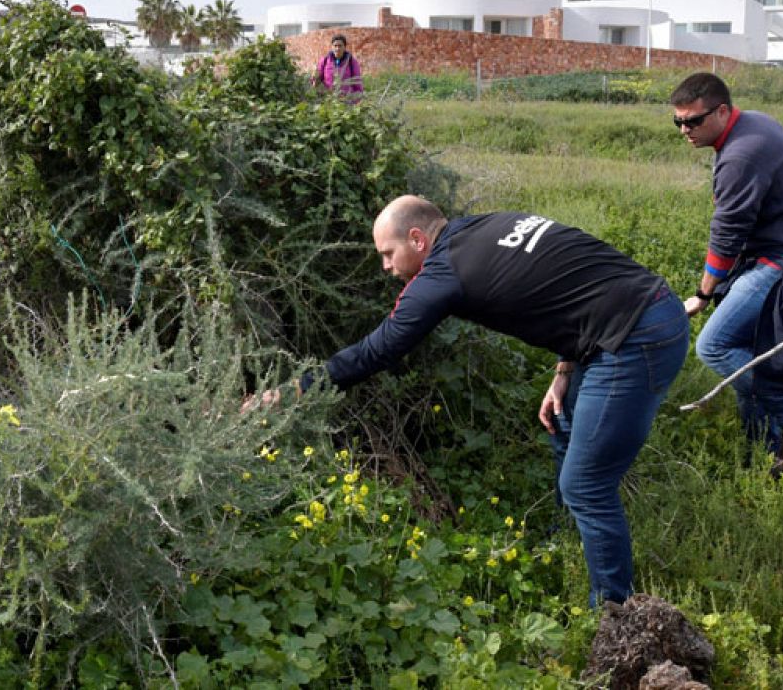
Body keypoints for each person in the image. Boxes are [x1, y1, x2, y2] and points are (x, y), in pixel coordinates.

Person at [252, 195, 688, 605]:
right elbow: (571, 285)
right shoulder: (489, 225)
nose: (386, 267)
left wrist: (290, 392)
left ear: (418, 240)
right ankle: (569, 540)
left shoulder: (441, 276)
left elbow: (375, 352)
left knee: (586, 485)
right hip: (646, 308)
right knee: (563, 418)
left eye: (388, 254)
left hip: (634, 340)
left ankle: (616, 615)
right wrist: (565, 369)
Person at [670, 72, 783, 474]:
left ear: (722, 111)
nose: (685, 130)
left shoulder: (742, 154)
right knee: (748, 355)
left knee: (714, 346)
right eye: (678, 122)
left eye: (694, 121)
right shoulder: (753, 122)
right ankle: (766, 458)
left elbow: (727, 233)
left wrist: (703, 294)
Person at [311, 34, 363, 101]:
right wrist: (314, 78)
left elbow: (357, 83)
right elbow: (316, 81)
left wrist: (356, 99)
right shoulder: (325, 60)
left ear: (344, 47)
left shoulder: (351, 62)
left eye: (340, 46)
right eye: (335, 46)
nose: (337, 48)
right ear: (332, 47)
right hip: (327, 99)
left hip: (346, 101)